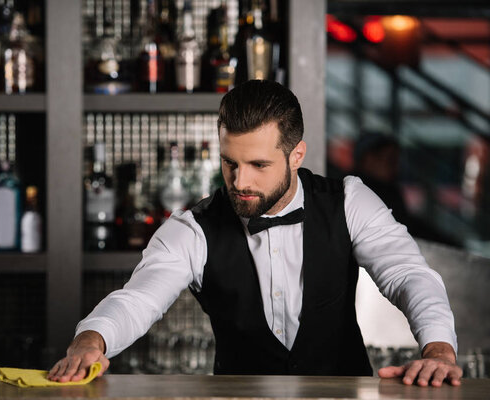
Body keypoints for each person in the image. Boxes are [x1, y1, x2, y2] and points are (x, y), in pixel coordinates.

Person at [48, 80, 462, 387]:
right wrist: (91, 340)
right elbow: (139, 298)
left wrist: (438, 348)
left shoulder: (349, 201)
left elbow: (408, 275)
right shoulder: (193, 228)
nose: (239, 181)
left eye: (259, 165)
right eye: (230, 163)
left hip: (342, 398)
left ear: (296, 154)